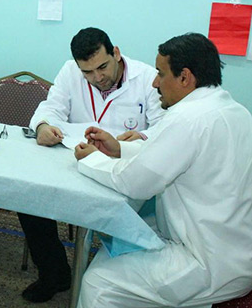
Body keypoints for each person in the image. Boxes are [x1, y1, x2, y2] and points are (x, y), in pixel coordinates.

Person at [74, 33, 252, 308]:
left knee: (98, 283)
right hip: (236, 250)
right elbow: (174, 155)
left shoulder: (188, 118)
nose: (154, 82)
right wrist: (119, 149)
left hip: (208, 264)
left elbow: (133, 183)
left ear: (184, 77)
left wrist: (90, 160)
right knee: (118, 243)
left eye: (161, 74)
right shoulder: (233, 110)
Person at [18, 27, 164, 303]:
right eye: (88, 72)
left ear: (116, 53)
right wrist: (44, 126)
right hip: (76, 162)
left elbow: (165, 127)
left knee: (117, 220)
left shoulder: (147, 78)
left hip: (120, 169)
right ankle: (54, 273)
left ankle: (115, 276)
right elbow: (50, 108)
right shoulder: (70, 72)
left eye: (102, 67)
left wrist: (143, 137)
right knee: (30, 197)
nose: (97, 78)